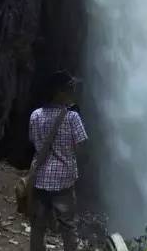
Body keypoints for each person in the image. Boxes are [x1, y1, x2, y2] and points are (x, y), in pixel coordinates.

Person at [29, 70, 88, 251]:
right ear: (60, 92)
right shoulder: (72, 117)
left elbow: (34, 141)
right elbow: (81, 146)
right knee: (68, 225)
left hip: (40, 180)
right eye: (70, 88)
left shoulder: (35, 115)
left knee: (38, 225)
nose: (73, 91)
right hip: (64, 181)